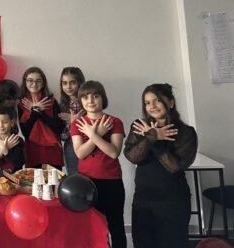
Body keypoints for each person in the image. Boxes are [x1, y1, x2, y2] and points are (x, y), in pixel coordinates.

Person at [124, 83, 198, 248]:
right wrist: (151, 137)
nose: (152, 106)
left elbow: (174, 166)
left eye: (157, 100)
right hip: (143, 199)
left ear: (171, 102)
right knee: (143, 243)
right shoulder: (140, 127)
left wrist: (156, 140)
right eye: (147, 102)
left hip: (173, 201)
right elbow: (133, 157)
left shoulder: (186, 132)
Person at [71, 80, 126, 248]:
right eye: (86, 97)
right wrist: (97, 135)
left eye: (95, 96)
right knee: (93, 227)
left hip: (112, 181)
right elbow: (80, 153)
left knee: (116, 226)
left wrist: (93, 135)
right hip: (86, 183)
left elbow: (114, 152)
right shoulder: (77, 124)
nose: (91, 100)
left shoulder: (115, 122)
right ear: (81, 100)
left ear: (103, 98)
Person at [19, 66, 64, 168]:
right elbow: (25, 133)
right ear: (25, 82)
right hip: (33, 150)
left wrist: (40, 112)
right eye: (30, 80)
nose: (34, 84)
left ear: (43, 83)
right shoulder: (21, 104)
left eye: (38, 81)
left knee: (54, 178)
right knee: (32, 178)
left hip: (52, 150)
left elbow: (59, 129)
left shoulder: (52, 102)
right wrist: (34, 112)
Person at [57, 67, 86, 175]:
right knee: (74, 176)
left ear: (80, 83)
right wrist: (73, 123)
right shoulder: (62, 105)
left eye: (72, 82)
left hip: (88, 142)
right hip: (70, 145)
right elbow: (62, 136)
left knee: (91, 176)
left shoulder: (87, 101)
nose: (68, 86)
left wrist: (76, 121)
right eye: (64, 83)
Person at [0, 104, 25, 177]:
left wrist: (6, 151)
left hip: (15, 178)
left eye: (5, 122)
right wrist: (2, 151)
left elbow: (20, 163)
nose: (1, 126)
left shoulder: (17, 140)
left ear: (12, 123)